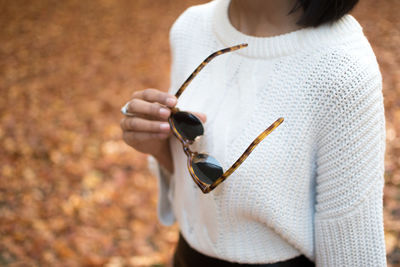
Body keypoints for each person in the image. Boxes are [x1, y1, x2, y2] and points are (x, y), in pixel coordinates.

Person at [120, 0, 387, 266]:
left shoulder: (343, 70)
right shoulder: (191, 27)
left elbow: (351, 255)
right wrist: (158, 147)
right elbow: (206, 193)